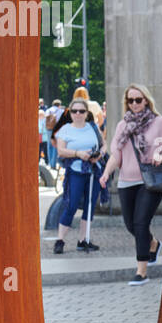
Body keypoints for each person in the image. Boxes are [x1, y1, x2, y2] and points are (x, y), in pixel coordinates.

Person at [99, 84, 162, 285]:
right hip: (126, 182)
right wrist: (106, 173)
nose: (134, 104)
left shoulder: (158, 122)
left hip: (149, 181)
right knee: (130, 225)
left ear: (146, 100)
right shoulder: (121, 126)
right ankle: (153, 244)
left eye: (138, 99)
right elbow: (116, 155)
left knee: (140, 223)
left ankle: (141, 272)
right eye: (130, 100)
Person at [51, 100, 103, 253]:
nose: (78, 114)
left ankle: (83, 240)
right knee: (71, 205)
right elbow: (60, 151)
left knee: (89, 205)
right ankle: (60, 240)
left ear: (87, 113)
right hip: (75, 171)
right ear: (70, 113)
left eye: (81, 111)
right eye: (74, 111)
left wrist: (99, 155)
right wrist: (77, 154)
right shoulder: (65, 129)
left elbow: (103, 144)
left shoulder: (92, 127)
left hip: (93, 171)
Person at [45, 99, 64, 170]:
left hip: (48, 129)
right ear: (59, 105)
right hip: (56, 129)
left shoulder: (48, 110)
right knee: (55, 146)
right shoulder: (60, 111)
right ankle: (53, 164)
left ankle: (50, 163)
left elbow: (45, 121)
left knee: (49, 146)